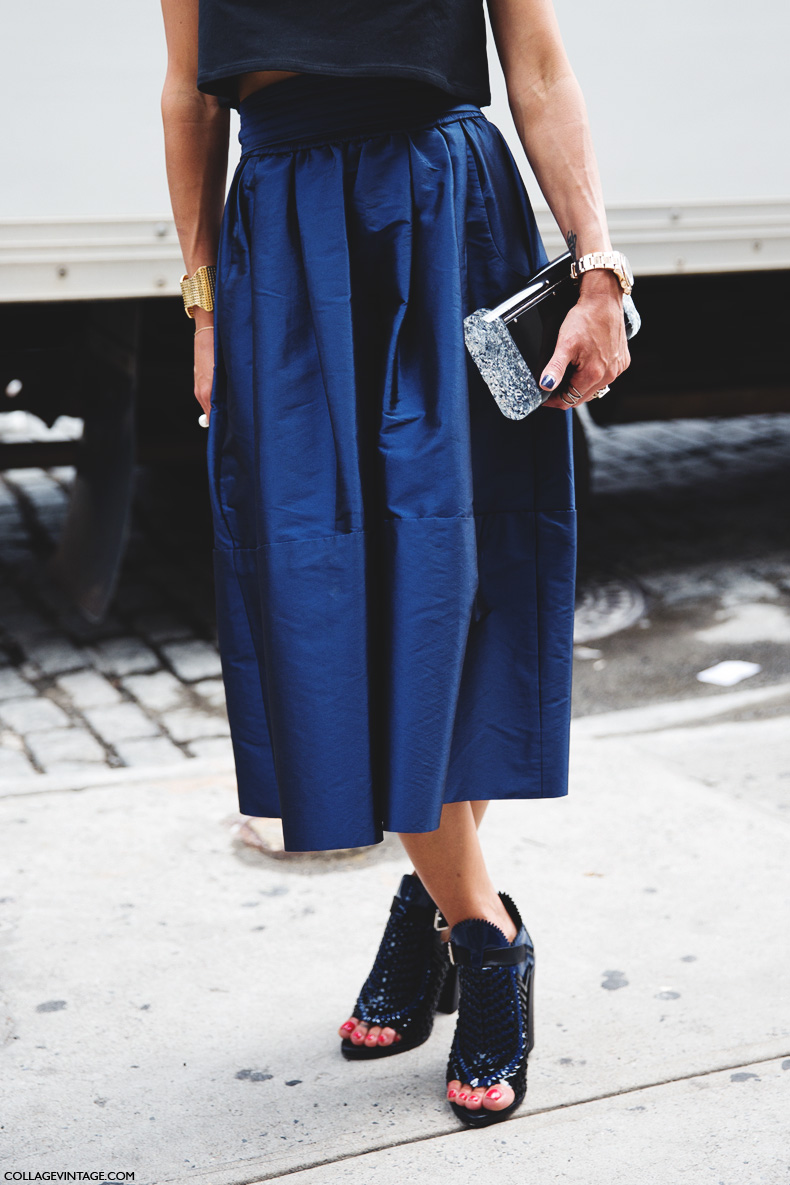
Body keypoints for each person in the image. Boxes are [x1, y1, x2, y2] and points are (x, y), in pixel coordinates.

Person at [160, 0, 631, 1128]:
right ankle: (468, 918)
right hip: (281, 232)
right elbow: (188, 91)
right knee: (328, 590)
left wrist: (598, 269)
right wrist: (203, 295)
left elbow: (538, 65)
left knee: (447, 585)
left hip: (444, 212)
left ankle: (469, 931)